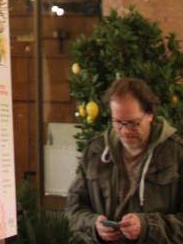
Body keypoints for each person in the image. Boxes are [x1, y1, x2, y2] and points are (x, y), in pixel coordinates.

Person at [67, 77, 183, 242]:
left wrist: (147, 227)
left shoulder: (177, 153)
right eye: (118, 123)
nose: (125, 131)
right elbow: (74, 208)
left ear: (150, 114)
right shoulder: (95, 151)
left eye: (133, 123)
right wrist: (94, 225)